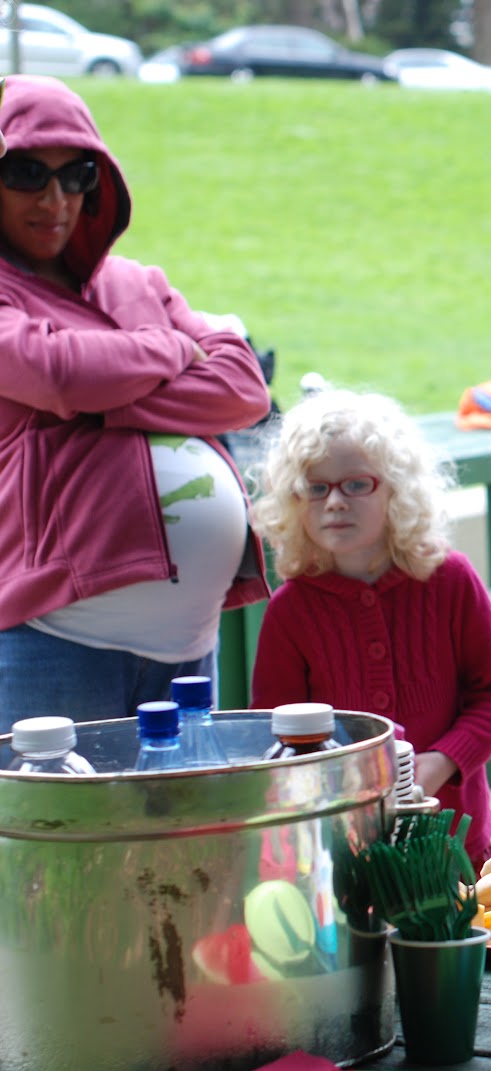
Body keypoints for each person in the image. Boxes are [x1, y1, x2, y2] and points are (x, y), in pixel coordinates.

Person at [0, 76, 271, 730]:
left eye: (77, 175)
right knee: (56, 803)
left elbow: (243, 386)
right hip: (50, 640)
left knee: (183, 806)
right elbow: (56, 372)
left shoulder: (137, 281)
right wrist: (168, 348)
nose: (55, 199)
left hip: (188, 644)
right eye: (27, 174)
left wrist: (107, 403)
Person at [250, 389, 491, 868]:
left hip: (450, 834)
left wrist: (441, 762)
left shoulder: (450, 580)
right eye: (316, 488)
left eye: (356, 484)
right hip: (340, 845)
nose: (335, 502)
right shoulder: (290, 610)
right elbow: (275, 731)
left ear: (396, 490)